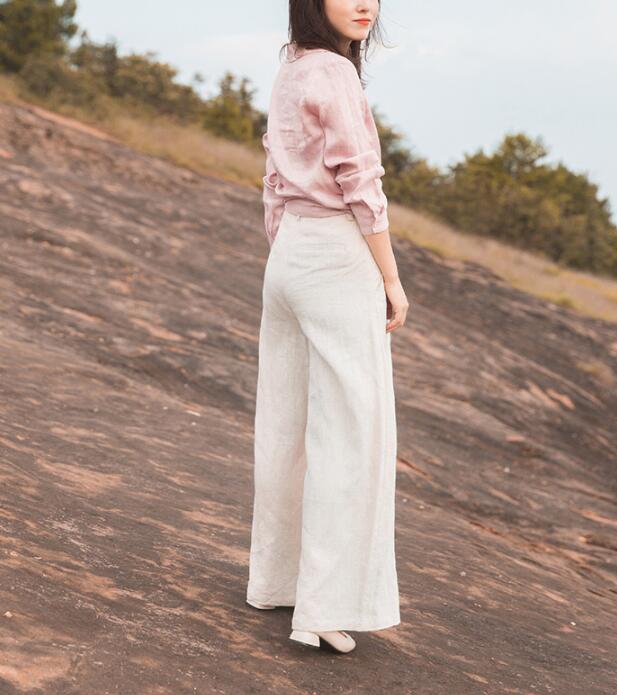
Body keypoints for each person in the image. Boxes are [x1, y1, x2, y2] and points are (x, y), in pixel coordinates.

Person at [246, 0, 409, 655]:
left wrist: (287, 252)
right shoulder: (336, 74)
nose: (365, 3)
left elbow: (274, 177)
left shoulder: (292, 65)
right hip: (336, 255)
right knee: (350, 436)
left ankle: (276, 582)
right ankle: (323, 605)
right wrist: (391, 279)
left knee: (286, 426)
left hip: (289, 254)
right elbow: (361, 182)